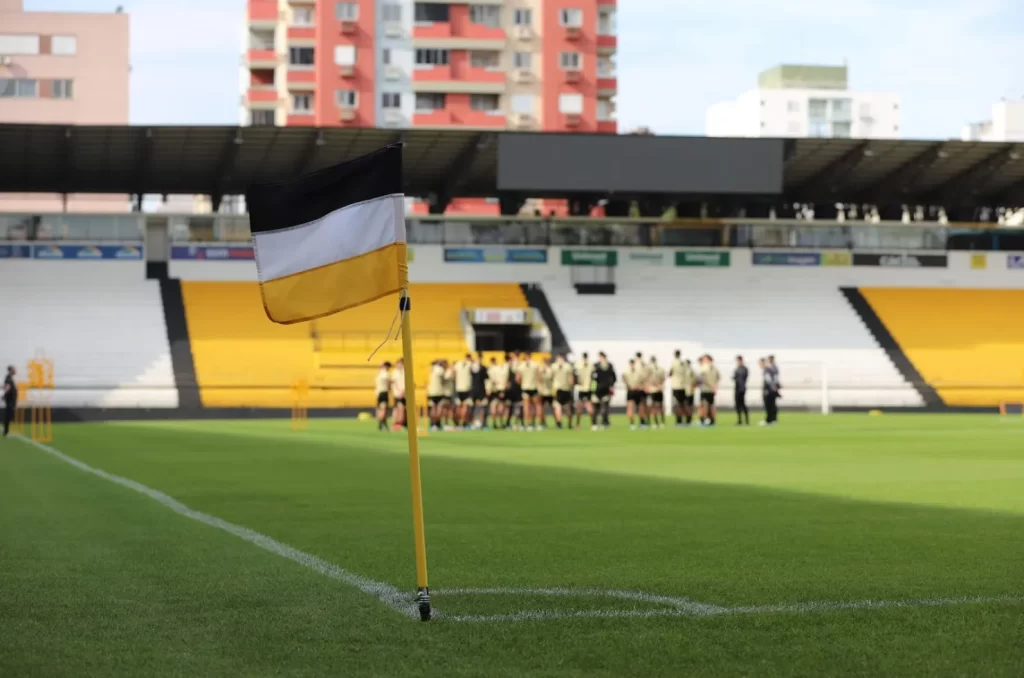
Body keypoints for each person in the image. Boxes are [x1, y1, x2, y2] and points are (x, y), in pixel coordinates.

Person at [590, 352, 616, 430]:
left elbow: (613, 378)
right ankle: (598, 423)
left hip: (603, 390)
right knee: (599, 407)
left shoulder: (604, 366)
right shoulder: (601, 366)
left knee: (603, 407)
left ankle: (601, 422)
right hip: (601, 390)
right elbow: (593, 379)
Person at [516, 351, 541, 430]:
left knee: (526, 407)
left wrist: (522, 383)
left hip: (525, 387)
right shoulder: (535, 365)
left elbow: (517, 379)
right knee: (537, 406)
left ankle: (528, 423)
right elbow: (540, 377)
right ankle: (539, 423)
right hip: (534, 387)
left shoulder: (521, 366)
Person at [550, 354, 574, 429]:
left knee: (558, 407)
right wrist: (571, 388)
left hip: (557, 389)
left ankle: (559, 423)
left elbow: (550, 377)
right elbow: (571, 379)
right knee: (567, 407)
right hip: (566, 389)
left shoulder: (553, 366)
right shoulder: (568, 366)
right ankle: (569, 423)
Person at [453, 353, 474, 429]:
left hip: (459, 388)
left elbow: (453, 374)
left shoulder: (458, 364)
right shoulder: (470, 364)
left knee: (459, 407)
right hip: (466, 388)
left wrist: (457, 380)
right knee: (465, 407)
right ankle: (463, 423)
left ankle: (457, 422)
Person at [699, 354, 720, 426]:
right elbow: (718, 377)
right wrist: (714, 386)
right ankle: (710, 420)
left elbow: (703, 379)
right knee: (709, 405)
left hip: (706, 389)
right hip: (710, 389)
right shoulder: (714, 369)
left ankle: (705, 420)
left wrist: (713, 386)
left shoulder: (704, 368)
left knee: (706, 405)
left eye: (705, 359)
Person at [488, 356, 509, 430]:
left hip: (495, 390)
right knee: (499, 407)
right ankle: (499, 422)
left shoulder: (491, 369)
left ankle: (495, 423)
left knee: (496, 407)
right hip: (498, 389)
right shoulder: (501, 369)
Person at [573, 352, 593, 429]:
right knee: (589, 406)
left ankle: (577, 424)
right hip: (588, 388)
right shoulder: (591, 365)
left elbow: (575, 376)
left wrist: (576, 383)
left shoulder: (578, 365)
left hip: (580, 388)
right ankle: (593, 423)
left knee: (579, 407)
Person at [669, 351, 688, 427]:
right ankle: (686, 420)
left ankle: (679, 420)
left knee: (677, 404)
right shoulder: (684, 363)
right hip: (683, 386)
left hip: (676, 386)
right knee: (683, 404)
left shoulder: (674, 363)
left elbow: (670, 373)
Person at [426, 360, 446, 432]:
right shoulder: (440, 369)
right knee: (438, 409)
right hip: (439, 392)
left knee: (433, 408)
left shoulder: (430, 369)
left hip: (431, 392)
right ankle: (437, 424)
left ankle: (433, 424)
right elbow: (444, 379)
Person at [470, 353, 489, 429]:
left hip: (482, 390)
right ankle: (472, 423)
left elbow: (487, 378)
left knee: (482, 407)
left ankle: (483, 423)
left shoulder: (484, 368)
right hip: (474, 390)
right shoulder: (472, 367)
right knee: (473, 407)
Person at [647, 356, 666, 428]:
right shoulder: (661, 369)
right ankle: (662, 422)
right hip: (659, 388)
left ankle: (656, 422)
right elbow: (663, 379)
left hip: (653, 389)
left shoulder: (648, 369)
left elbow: (647, 379)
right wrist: (659, 385)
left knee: (654, 406)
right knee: (660, 406)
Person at [761, 357, 781, 426]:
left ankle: (770, 420)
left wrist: (773, 388)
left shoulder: (768, 369)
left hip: (770, 390)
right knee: (772, 405)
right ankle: (772, 419)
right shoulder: (772, 368)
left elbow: (770, 380)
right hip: (772, 389)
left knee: (770, 405)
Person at [623, 358, 642, 430]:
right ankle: (636, 423)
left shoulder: (627, 371)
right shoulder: (637, 371)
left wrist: (630, 386)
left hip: (632, 390)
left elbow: (624, 379)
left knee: (635, 408)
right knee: (633, 408)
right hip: (634, 390)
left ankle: (634, 423)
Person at [375, 361, 392, 432]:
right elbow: (388, 382)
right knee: (384, 409)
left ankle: (383, 424)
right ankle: (381, 424)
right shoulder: (385, 374)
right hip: (384, 392)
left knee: (381, 408)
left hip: (379, 393)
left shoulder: (379, 373)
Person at [537, 356, 554, 429]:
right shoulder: (542, 369)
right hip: (543, 391)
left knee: (548, 408)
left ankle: (543, 423)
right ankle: (542, 423)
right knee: (541, 408)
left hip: (547, 391)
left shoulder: (549, 370)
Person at [733, 355, 750, 426]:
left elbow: (741, 378)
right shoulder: (737, 368)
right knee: (737, 405)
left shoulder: (743, 369)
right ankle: (740, 420)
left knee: (742, 404)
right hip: (737, 388)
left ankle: (746, 420)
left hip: (741, 388)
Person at [390, 359, 406, 430]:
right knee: (399, 409)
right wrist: (399, 392)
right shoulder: (395, 373)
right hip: (398, 394)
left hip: (404, 394)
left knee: (403, 409)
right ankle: (397, 423)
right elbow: (394, 383)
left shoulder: (404, 372)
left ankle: (403, 423)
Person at [3, 365, 16, 437]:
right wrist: (5, 395)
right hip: (9, 400)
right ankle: (6, 432)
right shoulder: (8, 378)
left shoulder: (9, 378)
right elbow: (7, 388)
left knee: (9, 415)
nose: (15, 371)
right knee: (8, 416)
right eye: (14, 369)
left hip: (10, 400)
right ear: (11, 370)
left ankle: (6, 431)